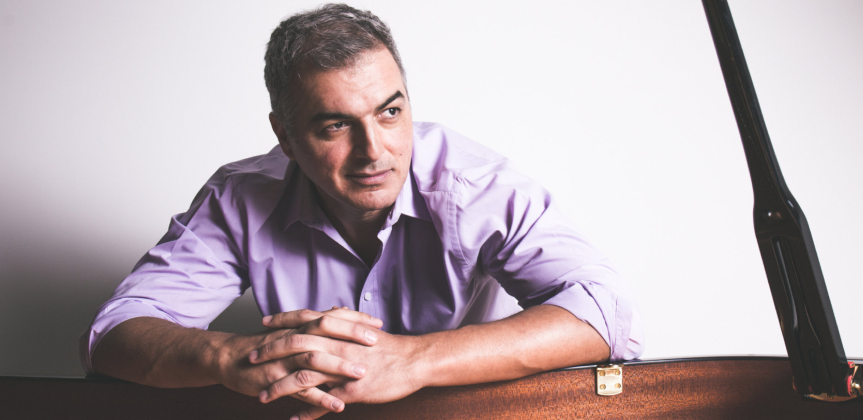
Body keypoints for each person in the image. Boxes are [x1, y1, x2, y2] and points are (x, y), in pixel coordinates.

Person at [81, 4, 644, 420]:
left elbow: (606, 311)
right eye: (335, 125)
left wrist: (413, 359)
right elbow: (113, 336)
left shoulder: (473, 185)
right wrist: (229, 352)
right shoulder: (239, 196)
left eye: (390, 112)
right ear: (284, 134)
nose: (375, 150)